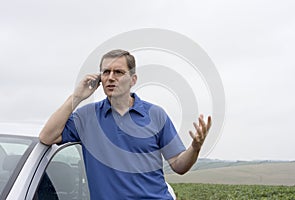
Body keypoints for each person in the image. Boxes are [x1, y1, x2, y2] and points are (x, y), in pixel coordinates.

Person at [39, 49, 212, 199]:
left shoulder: (156, 114)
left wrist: (195, 148)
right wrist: (76, 97)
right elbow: (47, 137)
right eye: (106, 72)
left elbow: (179, 165)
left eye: (118, 72)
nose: (111, 78)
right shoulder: (86, 117)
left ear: (133, 79)